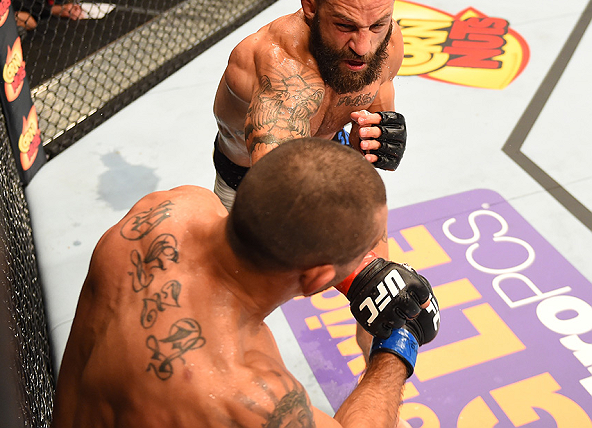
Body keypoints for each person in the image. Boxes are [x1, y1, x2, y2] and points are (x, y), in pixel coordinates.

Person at [52, 138, 439, 428]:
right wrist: (397, 345)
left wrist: (343, 263)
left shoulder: (169, 210)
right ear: (317, 276)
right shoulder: (251, 395)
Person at [212, 0, 406, 364]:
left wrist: (373, 140)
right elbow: (282, 207)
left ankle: (380, 380)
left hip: (327, 152)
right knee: (226, 309)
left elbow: (375, 110)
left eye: (377, 25)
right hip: (253, 184)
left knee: (389, 300)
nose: (363, 46)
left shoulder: (385, 40)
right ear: (310, 8)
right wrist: (360, 276)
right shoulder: (281, 71)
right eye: (345, 26)